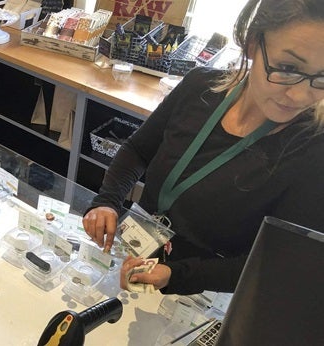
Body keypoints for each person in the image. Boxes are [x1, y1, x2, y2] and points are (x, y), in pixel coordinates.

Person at [83, 0, 324, 295]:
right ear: (251, 44)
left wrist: (175, 274)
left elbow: (273, 262)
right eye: (287, 68)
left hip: (203, 294)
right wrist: (108, 200)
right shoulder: (199, 88)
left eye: (321, 77)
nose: (300, 95)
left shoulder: (312, 152)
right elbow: (138, 150)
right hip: (134, 253)